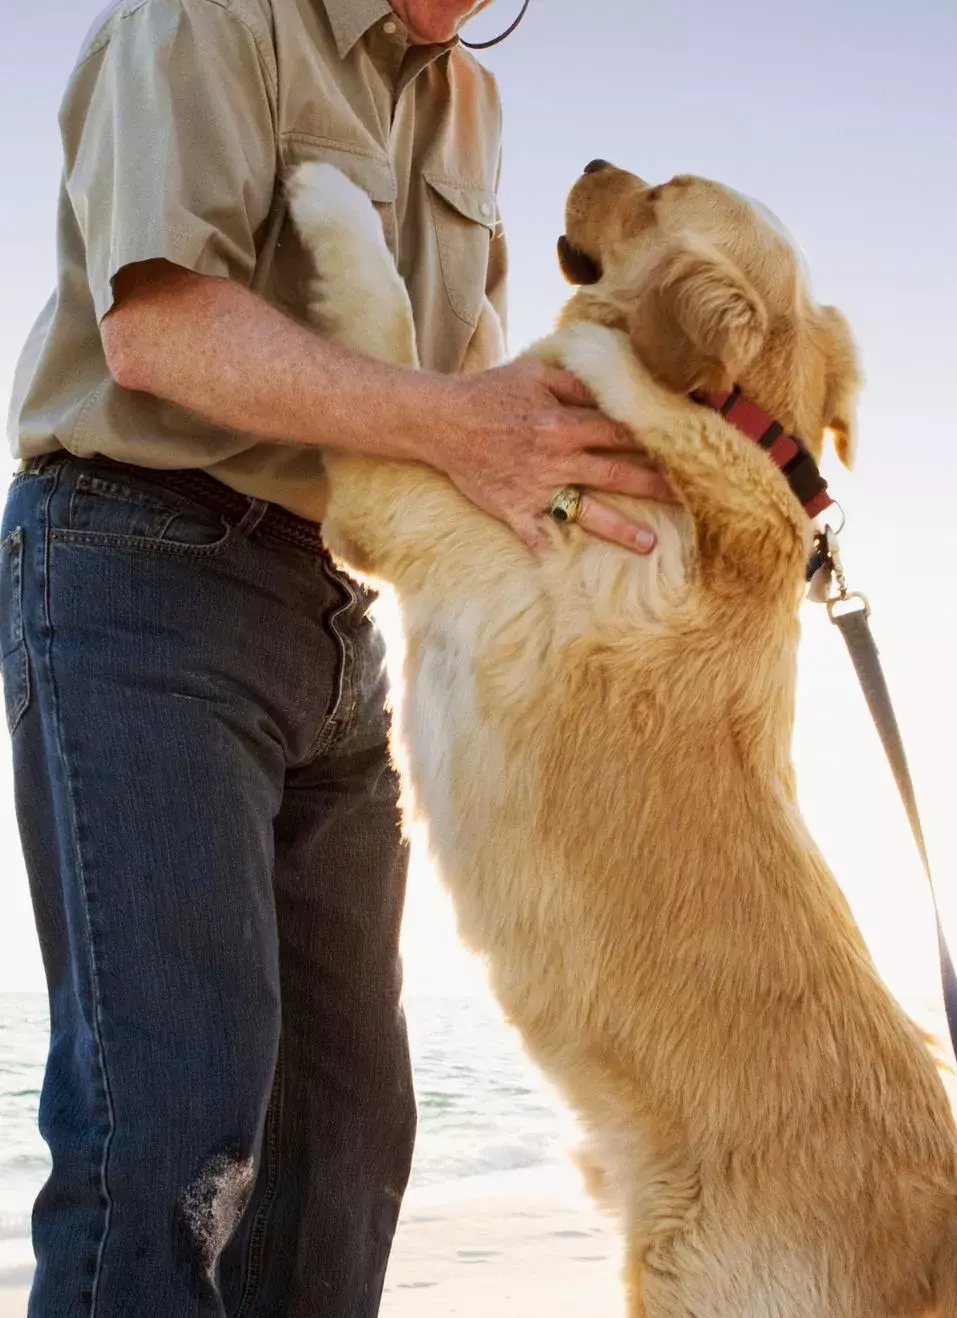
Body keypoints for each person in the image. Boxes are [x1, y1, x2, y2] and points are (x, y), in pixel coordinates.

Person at [1, 0, 670, 1312]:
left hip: (340, 614)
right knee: (172, 1136)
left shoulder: (467, 101)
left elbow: (463, 405)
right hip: (138, 569)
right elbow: (160, 332)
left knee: (348, 1143)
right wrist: (458, 424)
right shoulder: (208, 19)